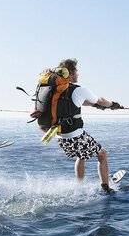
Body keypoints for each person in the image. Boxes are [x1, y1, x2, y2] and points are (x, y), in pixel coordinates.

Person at [45, 58, 122, 194]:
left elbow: (76, 102)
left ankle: (79, 186)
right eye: (77, 71)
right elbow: (102, 100)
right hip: (75, 136)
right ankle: (106, 188)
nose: (78, 74)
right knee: (102, 154)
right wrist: (113, 104)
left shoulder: (57, 91)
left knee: (82, 155)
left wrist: (95, 105)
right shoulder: (78, 90)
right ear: (71, 73)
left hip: (60, 136)